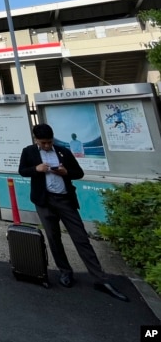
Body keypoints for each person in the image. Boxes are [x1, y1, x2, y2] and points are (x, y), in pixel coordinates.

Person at [18, 123, 129, 302]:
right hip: (44, 201)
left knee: (81, 238)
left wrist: (65, 172)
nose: (47, 145)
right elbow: (22, 171)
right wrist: (36, 169)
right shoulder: (29, 152)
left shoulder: (63, 151)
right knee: (54, 238)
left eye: (49, 142)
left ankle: (100, 278)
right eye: (43, 142)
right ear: (36, 140)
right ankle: (65, 272)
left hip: (65, 200)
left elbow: (78, 173)